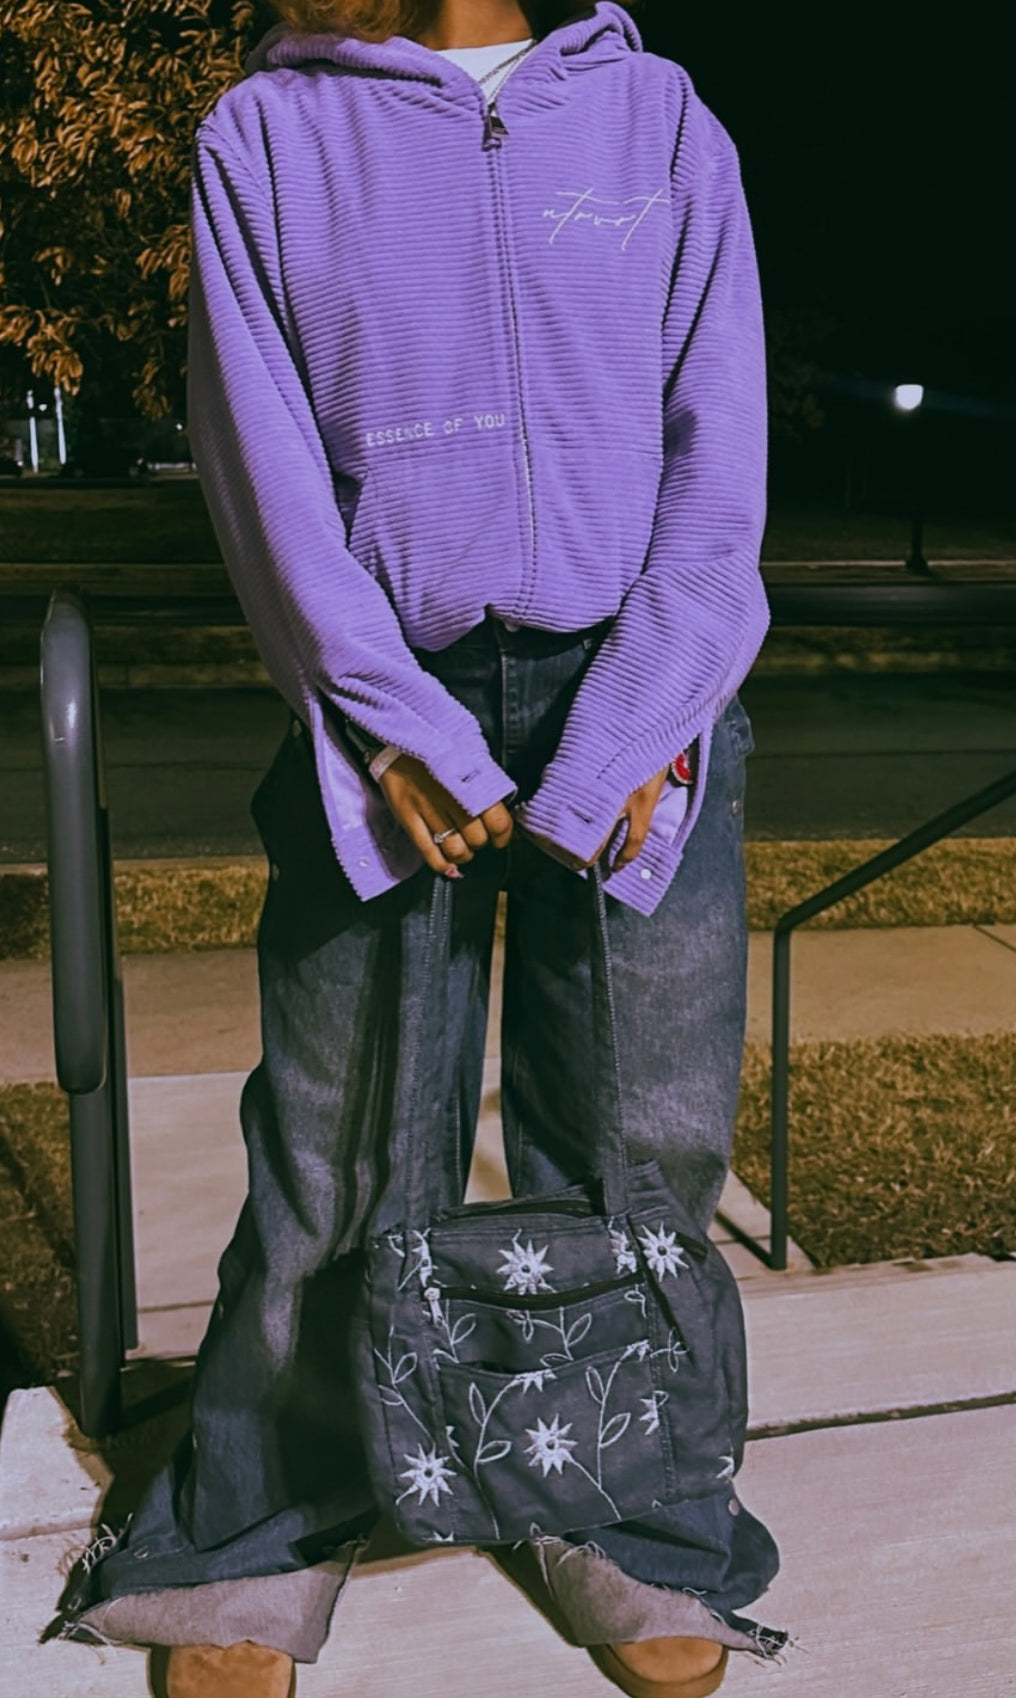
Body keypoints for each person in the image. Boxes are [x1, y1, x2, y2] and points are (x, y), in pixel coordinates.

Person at [54, 2, 789, 1693]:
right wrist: (384, 725)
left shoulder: (662, 123)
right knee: (337, 1145)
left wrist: (638, 725)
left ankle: (629, 1510)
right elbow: (260, 470)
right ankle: (266, 1523)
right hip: (384, 692)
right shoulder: (265, 139)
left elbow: (720, 461)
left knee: (644, 1141)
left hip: (637, 687)